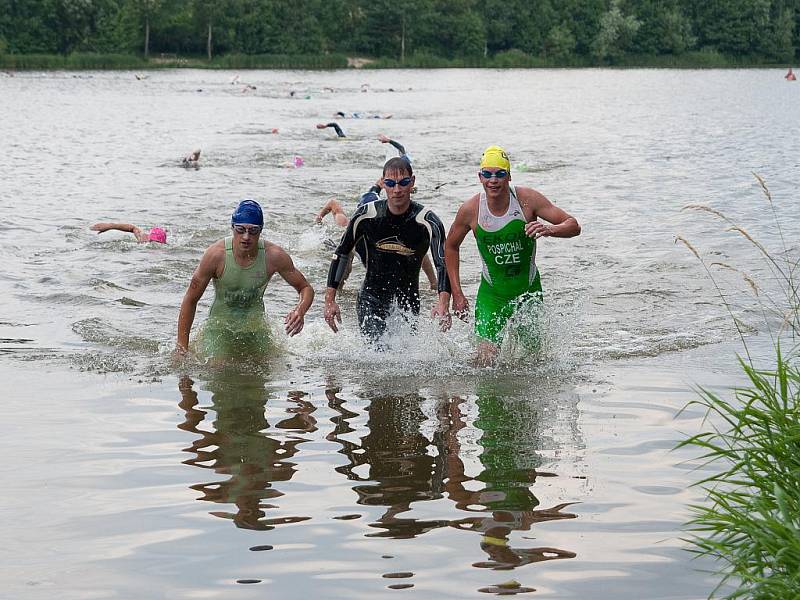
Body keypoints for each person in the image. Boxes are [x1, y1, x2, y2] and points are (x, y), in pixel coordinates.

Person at [445, 145, 580, 364]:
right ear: (480, 177)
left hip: (528, 294)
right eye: (487, 174)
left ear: (508, 176)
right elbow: (450, 246)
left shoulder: (527, 200)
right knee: (484, 362)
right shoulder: (471, 210)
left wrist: (550, 230)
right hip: (492, 295)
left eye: (500, 174)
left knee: (533, 363)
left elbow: (573, 225)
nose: (493, 180)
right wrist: (457, 294)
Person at [324, 157, 451, 341]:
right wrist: (330, 300)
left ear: (412, 182)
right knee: (377, 353)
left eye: (403, 183)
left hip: (408, 301)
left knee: (406, 361)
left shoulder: (427, 221)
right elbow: (342, 252)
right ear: (383, 184)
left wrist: (443, 303)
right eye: (391, 183)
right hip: (371, 298)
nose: (397, 190)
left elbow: (442, 263)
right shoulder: (366, 215)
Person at [176, 199, 314, 358]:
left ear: (261, 230)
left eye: (253, 231)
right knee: (218, 370)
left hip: (256, 328)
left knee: (263, 374)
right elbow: (190, 299)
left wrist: (300, 309)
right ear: (232, 227)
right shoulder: (216, 255)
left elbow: (305, 288)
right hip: (220, 329)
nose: (246, 236)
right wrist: (181, 348)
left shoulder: (274, 256)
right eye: (240, 229)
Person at [90, 222, 167, 244]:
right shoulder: (143, 238)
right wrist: (111, 226)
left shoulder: (143, 240)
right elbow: (133, 228)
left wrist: (111, 226)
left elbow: (133, 228)